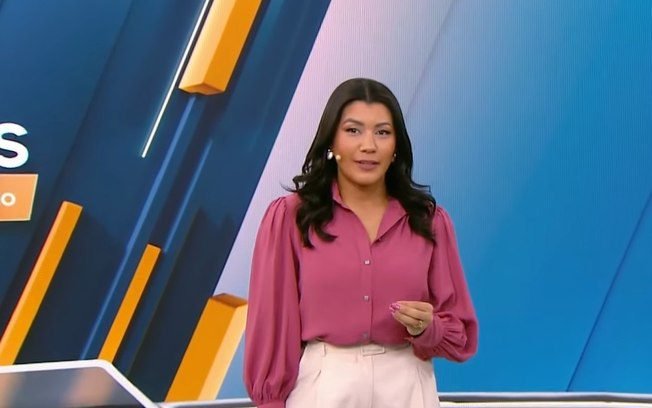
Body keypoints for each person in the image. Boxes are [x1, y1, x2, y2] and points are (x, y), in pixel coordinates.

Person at [244, 78, 478, 408]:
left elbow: (461, 335)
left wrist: (429, 328)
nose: (369, 145)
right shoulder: (291, 217)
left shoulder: (429, 221)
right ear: (331, 141)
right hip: (324, 384)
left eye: (382, 132)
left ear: (396, 146)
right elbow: (271, 323)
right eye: (353, 130)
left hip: (408, 384)